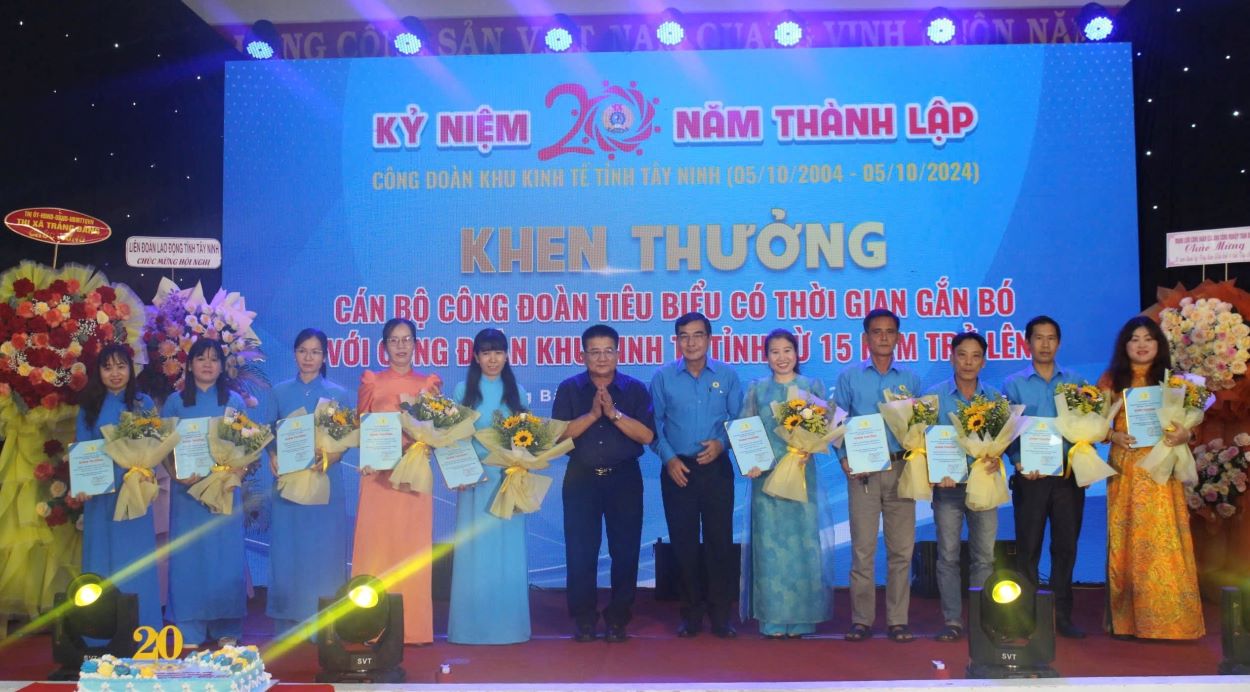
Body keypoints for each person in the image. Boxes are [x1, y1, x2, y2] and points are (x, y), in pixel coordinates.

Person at [1100, 316, 1204, 639]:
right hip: (1126, 470)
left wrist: (1187, 432)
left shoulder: (1174, 383)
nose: (1142, 344)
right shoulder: (1110, 381)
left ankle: (1172, 620)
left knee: (1164, 540)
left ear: (1158, 344)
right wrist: (1111, 436)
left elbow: (1192, 426)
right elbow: (1095, 425)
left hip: (1161, 473)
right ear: (1124, 345)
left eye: (1148, 338)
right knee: (1127, 541)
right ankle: (1128, 621)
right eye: (1134, 338)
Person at [553, 324, 655, 643]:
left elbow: (648, 436)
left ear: (618, 353)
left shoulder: (636, 390)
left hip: (624, 479)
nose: (601, 357)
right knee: (581, 552)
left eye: (607, 350)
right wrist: (593, 414)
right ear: (582, 355)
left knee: (625, 552)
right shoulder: (569, 389)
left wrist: (614, 414)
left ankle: (618, 619)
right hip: (581, 480)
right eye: (594, 351)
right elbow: (557, 434)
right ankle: (584, 619)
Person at [651, 312, 743, 639]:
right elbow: (654, 426)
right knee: (684, 545)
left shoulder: (728, 376)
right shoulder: (663, 378)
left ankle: (721, 615)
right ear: (676, 340)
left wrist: (723, 444)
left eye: (698, 335)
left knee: (719, 543)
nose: (691, 342)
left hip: (716, 469)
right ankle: (690, 614)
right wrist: (669, 459)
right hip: (679, 470)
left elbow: (740, 421)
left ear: (709, 339)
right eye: (684, 336)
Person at [353, 317, 442, 645]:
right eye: (394, 340)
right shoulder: (372, 381)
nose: (401, 346)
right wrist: (367, 458)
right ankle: (370, 625)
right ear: (384, 346)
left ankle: (413, 628)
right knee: (376, 547)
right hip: (378, 478)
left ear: (416, 345)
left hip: (414, 476)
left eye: (407, 340)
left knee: (411, 548)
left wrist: (424, 442)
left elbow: (437, 430)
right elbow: (362, 425)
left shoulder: (428, 384)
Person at [834, 308, 920, 643]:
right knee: (863, 550)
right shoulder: (849, 378)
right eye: (876, 331)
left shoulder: (910, 380)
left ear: (898, 337)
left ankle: (898, 620)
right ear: (866, 338)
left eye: (889, 331)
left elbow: (918, 425)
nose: (883, 337)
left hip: (902, 470)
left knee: (902, 551)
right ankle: (862, 620)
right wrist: (843, 458)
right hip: (863, 473)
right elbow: (835, 424)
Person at [740, 329, 832, 639]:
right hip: (766, 480)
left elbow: (823, 428)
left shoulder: (810, 388)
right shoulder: (758, 391)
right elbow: (745, 429)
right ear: (766, 357)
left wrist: (810, 447)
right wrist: (748, 462)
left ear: (797, 353)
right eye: (775, 352)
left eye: (787, 350)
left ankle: (804, 617)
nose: (782, 357)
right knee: (770, 549)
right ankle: (773, 617)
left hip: (802, 477)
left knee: (803, 546)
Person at [264, 328, 353, 638]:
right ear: (294, 354)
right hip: (288, 488)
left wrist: (331, 456)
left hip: (324, 483)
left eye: (315, 352)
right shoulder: (279, 392)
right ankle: (288, 624)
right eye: (303, 350)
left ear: (325, 356)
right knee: (288, 552)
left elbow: (346, 441)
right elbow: (263, 434)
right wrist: (272, 454)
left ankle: (324, 625)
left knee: (324, 553)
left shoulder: (338, 394)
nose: (309, 357)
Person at [1002, 316, 1087, 638]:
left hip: (1067, 478)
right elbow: (1005, 432)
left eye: (1052, 338)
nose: (1045, 344)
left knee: (1065, 547)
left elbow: (1086, 427)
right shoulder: (1013, 385)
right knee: (1029, 548)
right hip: (1031, 478)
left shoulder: (1076, 382)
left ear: (1059, 343)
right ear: (1027, 343)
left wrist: (1085, 461)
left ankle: (1062, 616)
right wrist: (1018, 461)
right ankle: (1026, 616)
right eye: (1039, 338)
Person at [161, 338, 248, 646]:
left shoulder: (234, 401)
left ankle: (227, 627)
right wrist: (176, 475)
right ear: (189, 364)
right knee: (190, 557)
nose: (208, 364)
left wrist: (237, 469)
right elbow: (162, 449)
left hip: (223, 493)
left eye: (214, 359)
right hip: (188, 496)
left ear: (223, 366)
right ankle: (190, 627)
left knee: (225, 558)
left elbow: (244, 447)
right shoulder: (175, 403)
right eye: (201, 358)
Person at [448, 329, 531, 645]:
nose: (493, 358)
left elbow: (527, 437)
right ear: (475, 356)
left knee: (507, 553)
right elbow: (453, 437)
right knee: (475, 553)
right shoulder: (462, 390)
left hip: (507, 480)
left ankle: (509, 627)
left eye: (498, 352)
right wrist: (461, 472)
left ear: (507, 355)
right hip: (474, 480)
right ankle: (470, 628)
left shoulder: (517, 392)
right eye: (486, 352)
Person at [75, 344, 162, 629]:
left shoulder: (143, 403)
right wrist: (83, 484)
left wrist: (143, 470)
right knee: (102, 559)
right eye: (107, 367)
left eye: (121, 366)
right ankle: (99, 631)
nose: (115, 373)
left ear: (131, 369)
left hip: (134, 493)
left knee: (135, 560)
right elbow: (83, 451)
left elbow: (155, 445)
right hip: (100, 498)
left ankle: (143, 629)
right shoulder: (88, 408)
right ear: (98, 371)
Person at [925, 331, 1002, 643]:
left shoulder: (995, 400)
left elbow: (1004, 443)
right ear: (951, 357)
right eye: (962, 355)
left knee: (985, 557)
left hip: (984, 486)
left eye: (975, 356)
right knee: (948, 556)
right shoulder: (934, 398)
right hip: (948, 489)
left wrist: (998, 459)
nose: (968, 362)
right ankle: (953, 621)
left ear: (984, 361)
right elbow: (923, 442)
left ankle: (984, 622)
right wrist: (933, 469)